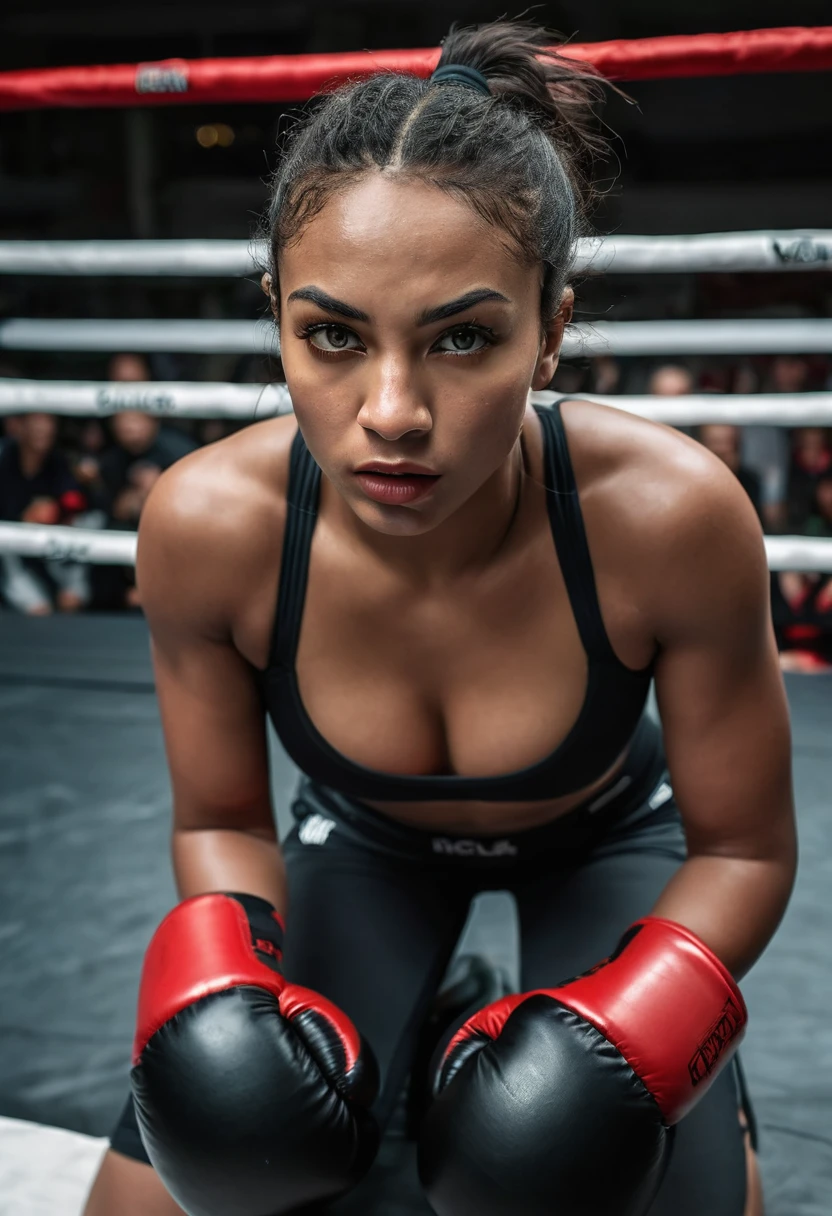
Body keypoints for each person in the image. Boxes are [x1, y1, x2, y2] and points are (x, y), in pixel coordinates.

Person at [83, 20, 792, 1216]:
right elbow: (218, 820)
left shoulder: (668, 515)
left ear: (551, 328)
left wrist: (624, 1031)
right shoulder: (212, 524)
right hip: (361, 846)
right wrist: (223, 992)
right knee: (206, 1162)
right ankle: (431, 1022)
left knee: (601, 1163)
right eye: (333, 337)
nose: (393, 413)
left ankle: (475, 1033)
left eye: (462, 338)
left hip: (615, 839)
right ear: (278, 320)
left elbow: (744, 850)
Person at [0, 412, 90, 615]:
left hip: (48, 545)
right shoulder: (5, 457)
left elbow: (74, 500)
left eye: (48, 421)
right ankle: (30, 598)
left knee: (89, 523)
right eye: (36, 421)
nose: (43, 428)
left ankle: (71, 590)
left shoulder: (57, 460)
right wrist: (23, 516)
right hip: (11, 552)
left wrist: (56, 510)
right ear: (18, 425)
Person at [697, 423, 763, 524]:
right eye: (715, 443)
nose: (723, 449)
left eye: (728, 443)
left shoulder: (750, 482)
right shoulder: (692, 483)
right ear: (702, 445)